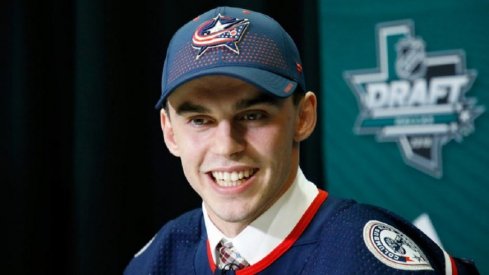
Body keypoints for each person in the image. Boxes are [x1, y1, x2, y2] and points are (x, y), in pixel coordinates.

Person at [124, 6, 478, 274]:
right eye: (200, 120)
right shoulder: (157, 260)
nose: (227, 145)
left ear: (303, 117)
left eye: (252, 116)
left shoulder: (367, 259)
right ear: (169, 132)